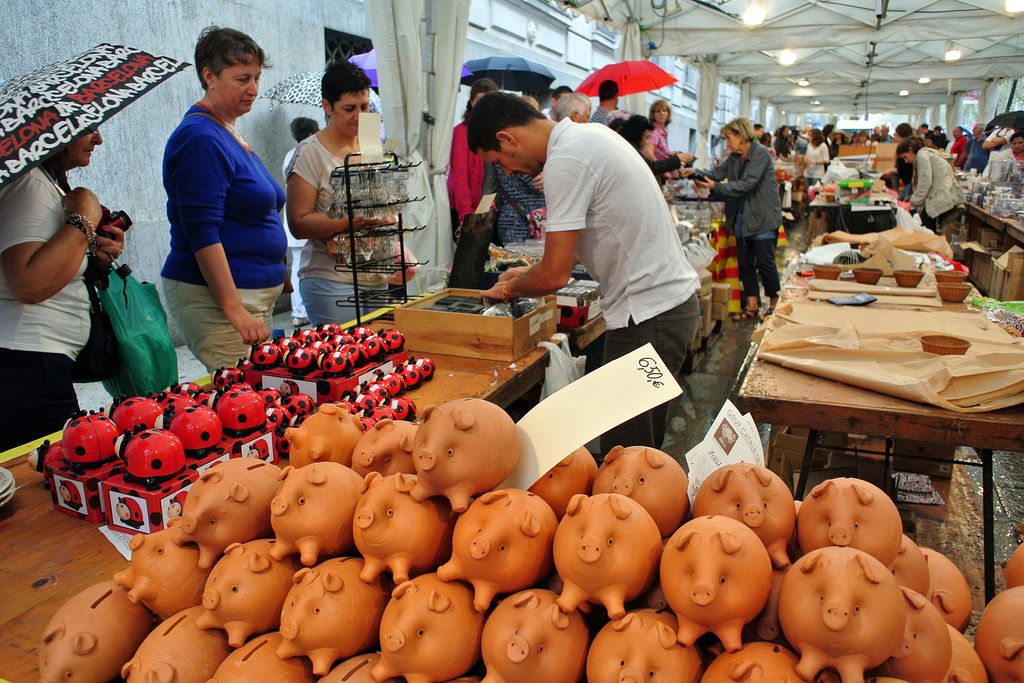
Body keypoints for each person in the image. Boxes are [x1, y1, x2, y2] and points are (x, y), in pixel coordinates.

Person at [466, 92, 700, 451]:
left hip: (650, 316)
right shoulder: (588, 136)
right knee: (637, 448)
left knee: (630, 457)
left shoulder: (566, 161)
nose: (508, 172)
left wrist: (510, 290)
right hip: (660, 309)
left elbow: (554, 276)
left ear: (507, 138)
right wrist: (525, 274)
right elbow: (597, 234)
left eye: (500, 162)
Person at [161, 26, 285, 373]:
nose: (254, 89)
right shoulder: (200, 137)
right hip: (218, 302)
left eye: (257, 78)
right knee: (246, 398)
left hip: (252, 296)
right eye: (242, 79)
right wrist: (233, 308)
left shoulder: (225, 131)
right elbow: (202, 231)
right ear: (209, 76)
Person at [0, 128, 125, 449]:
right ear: (48, 132)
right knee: (58, 475)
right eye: (88, 130)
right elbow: (29, 283)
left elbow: (49, 263)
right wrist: (83, 219)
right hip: (28, 367)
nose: (99, 139)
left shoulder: (43, 181)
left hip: (38, 363)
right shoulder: (29, 185)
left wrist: (91, 253)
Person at [285, 61, 395, 326]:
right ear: (327, 107)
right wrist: (350, 221)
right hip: (330, 280)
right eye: (349, 108)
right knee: (343, 359)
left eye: (364, 107)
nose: (359, 115)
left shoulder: (369, 139)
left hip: (376, 274)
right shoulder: (310, 151)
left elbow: (384, 199)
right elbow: (298, 223)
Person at [690, 117, 781, 321]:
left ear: (740, 135)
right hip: (740, 218)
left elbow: (747, 184)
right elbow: (716, 174)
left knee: (765, 262)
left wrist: (715, 187)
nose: (726, 142)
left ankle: (774, 303)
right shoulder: (733, 158)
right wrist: (693, 172)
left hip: (761, 216)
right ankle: (752, 305)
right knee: (745, 263)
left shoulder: (761, 154)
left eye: (728, 138)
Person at [448, 78, 500, 235]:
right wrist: (466, 216)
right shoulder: (461, 132)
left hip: (490, 207)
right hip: (467, 208)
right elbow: (459, 176)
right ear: (471, 103)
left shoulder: (497, 132)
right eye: (479, 101)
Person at [283, 116, 319, 326]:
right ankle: (303, 310)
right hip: (305, 216)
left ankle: (298, 312)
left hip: (292, 217)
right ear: (309, 134)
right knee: (305, 266)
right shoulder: (306, 152)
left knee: (299, 265)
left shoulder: (289, 155)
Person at [897, 136, 965, 235]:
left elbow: (925, 183)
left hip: (944, 198)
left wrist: (912, 202)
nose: (906, 161)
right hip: (947, 197)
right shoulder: (926, 154)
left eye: (905, 157)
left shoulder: (922, 155)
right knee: (927, 227)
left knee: (926, 230)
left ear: (910, 149)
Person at [616, 115, 693, 181]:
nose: (647, 142)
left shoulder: (628, 147)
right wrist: (678, 159)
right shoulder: (630, 149)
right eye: (646, 137)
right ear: (637, 134)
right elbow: (651, 167)